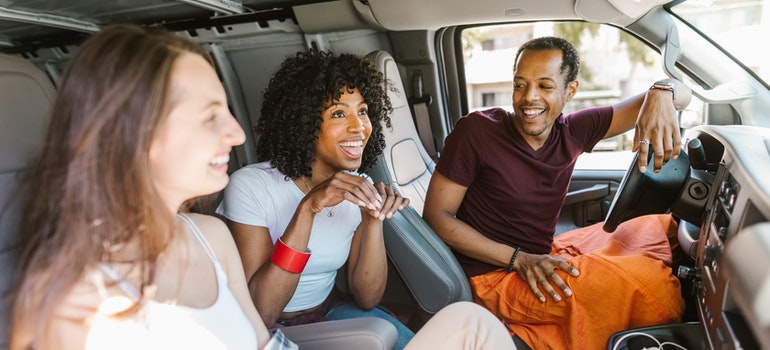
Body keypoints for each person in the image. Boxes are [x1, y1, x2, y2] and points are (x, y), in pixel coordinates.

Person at [423, 36, 693, 349]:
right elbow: (437, 217)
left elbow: (681, 93)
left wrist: (661, 91)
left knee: (657, 225)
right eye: (520, 85)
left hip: (541, 255)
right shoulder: (477, 131)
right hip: (493, 277)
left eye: (545, 86)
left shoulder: (574, 131)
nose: (529, 98)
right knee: (653, 287)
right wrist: (519, 259)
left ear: (570, 91)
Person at [216, 49, 419, 348]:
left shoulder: (359, 187)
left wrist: (373, 220)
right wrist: (308, 208)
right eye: (339, 113)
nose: (358, 127)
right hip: (268, 328)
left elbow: (367, 298)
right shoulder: (251, 185)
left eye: (362, 111)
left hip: (330, 312)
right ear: (305, 123)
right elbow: (262, 311)